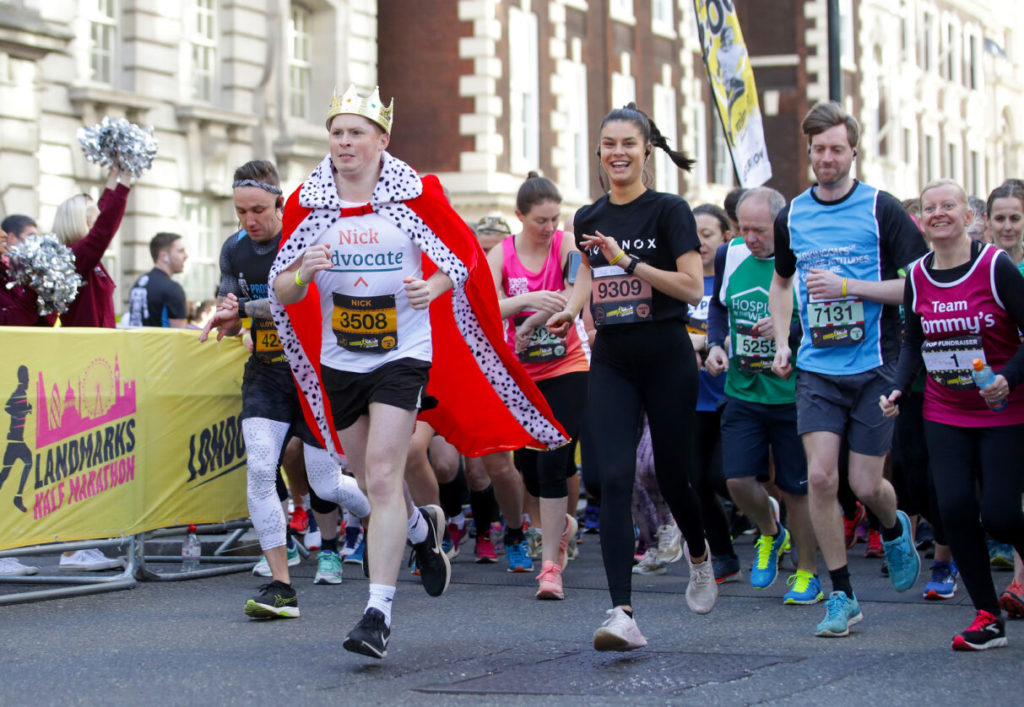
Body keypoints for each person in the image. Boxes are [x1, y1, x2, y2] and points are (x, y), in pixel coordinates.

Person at [269, 86, 567, 659]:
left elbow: (462, 257)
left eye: (356, 133)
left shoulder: (414, 193)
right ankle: (420, 529)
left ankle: (377, 614)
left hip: (402, 352)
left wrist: (431, 286)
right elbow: (282, 288)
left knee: (383, 476)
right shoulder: (309, 201)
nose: (344, 143)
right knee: (365, 479)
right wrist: (303, 273)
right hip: (340, 357)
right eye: (337, 133)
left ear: (381, 139)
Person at [547, 102, 718, 652]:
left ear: (647, 151)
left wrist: (627, 262)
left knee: (672, 475)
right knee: (613, 479)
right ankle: (621, 613)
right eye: (609, 144)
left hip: (667, 355)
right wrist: (569, 309)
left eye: (628, 144)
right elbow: (587, 274)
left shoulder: (669, 210)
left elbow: (691, 288)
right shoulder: (587, 216)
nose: (617, 153)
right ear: (598, 152)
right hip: (613, 358)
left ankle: (698, 552)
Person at [768, 101, 928, 638]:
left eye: (837, 149)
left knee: (865, 483)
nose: (827, 158)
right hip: (817, 368)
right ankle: (841, 594)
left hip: (876, 364)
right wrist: (784, 340)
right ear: (809, 152)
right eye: (819, 150)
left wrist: (848, 287)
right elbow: (782, 282)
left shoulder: (882, 209)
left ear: (854, 152)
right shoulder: (792, 215)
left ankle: (894, 524)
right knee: (819, 477)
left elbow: (916, 286)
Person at [200, 159, 370, 618]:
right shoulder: (234, 249)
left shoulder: (305, 237)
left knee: (325, 482)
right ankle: (281, 586)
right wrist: (227, 316)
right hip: (267, 372)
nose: (249, 221)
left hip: (314, 373)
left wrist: (244, 311)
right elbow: (231, 306)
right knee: (260, 469)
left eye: (258, 210)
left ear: (280, 203)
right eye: (240, 212)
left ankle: (389, 516)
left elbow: (293, 302)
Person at [880, 179, 1024, 651]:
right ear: (921, 221)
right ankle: (987, 617)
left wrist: (1008, 377)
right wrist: (898, 387)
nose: (938, 213)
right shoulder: (918, 276)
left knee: (1001, 516)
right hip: (944, 411)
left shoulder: (995, 266)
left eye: (948, 205)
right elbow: (914, 343)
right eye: (929, 208)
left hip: (1002, 410)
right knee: (956, 510)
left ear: (969, 216)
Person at [706, 187, 822, 604]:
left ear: (781, 225)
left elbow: (822, 318)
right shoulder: (730, 254)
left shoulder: (805, 257)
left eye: (759, 230)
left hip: (792, 392)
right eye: (744, 229)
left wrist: (789, 328)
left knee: (796, 488)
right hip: (743, 388)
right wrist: (715, 344)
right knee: (736, 479)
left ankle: (807, 573)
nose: (750, 238)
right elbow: (719, 306)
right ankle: (771, 532)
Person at [487, 172, 586, 599]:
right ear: (519, 216)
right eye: (540, 221)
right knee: (529, 469)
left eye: (554, 219)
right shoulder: (502, 253)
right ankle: (561, 525)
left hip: (568, 367)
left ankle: (549, 568)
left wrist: (533, 320)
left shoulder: (566, 244)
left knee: (552, 460)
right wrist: (526, 300)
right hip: (521, 376)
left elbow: (573, 289)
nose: (548, 228)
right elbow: (487, 306)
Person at [53, 166, 130, 328]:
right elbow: (105, 225)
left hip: (98, 340)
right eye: (96, 221)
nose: (99, 221)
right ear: (85, 222)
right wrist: (126, 178)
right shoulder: (75, 256)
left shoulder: (81, 255)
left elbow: (103, 210)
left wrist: (114, 175)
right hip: (87, 342)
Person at [127, 232, 189, 327]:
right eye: (181, 251)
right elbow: (180, 332)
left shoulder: (139, 282)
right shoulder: (173, 289)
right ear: (164, 256)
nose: (186, 256)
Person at [986, 182, 1024, 274]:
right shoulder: (977, 266)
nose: (1008, 227)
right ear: (989, 222)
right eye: (1000, 219)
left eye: (1015, 218)